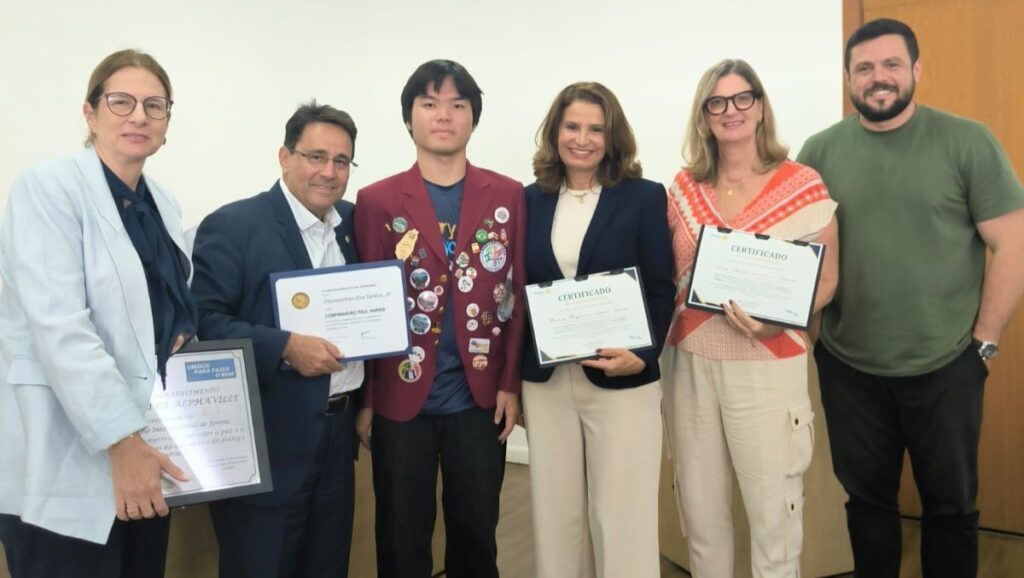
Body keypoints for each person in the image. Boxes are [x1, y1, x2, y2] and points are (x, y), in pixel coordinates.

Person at [797, 18, 1024, 578]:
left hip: (947, 367)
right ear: (848, 78)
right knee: (866, 506)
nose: (878, 77)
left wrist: (984, 345)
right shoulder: (819, 151)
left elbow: (1014, 244)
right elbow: (800, 256)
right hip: (849, 368)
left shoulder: (967, 141)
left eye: (892, 64)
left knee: (951, 508)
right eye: (864, 67)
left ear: (916, 69)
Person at [0, 49, 194, 578]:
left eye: (154, 105)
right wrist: (122, 442)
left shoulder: (164, 203)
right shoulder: (47, 188)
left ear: (167, 123)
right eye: (121, 102)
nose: (139, 116)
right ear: (90, 114)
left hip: (147, 452)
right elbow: (60, 329)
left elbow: (165, 312)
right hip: (68, 456)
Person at [662, 59, 839, 578]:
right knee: (700, 516)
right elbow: (662, 274)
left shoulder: (803, 184)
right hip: (691, 367)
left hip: (768, 365)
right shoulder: (682, 189)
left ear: (760, 107)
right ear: (703, 116)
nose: (730, 110)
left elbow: (827, 280)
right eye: (716, 102)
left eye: (743, 98)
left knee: (774, 518)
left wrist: (776, 321)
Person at [352, 59, 525, 578]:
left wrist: (510, 384)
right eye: (429, 104)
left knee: (476, 536)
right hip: (400, 398)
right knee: (401, 539)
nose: (443, 115)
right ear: (409, 118)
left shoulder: (508, 194)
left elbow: (517, 296)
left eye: (457, 105)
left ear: (474, 117)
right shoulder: (376, 200)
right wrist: (367, 399)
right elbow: (366, 308)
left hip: (479, 397)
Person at [190, 101, 363, 578]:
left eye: (342, 161)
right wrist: (285, 347)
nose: (329, 171)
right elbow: (205, 322)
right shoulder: (233, 225)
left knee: (327, 566)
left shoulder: (353, 224)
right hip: (266, 442)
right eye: (316, 156)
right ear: (285, 157)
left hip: (338, 435)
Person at [520, 81, 675, 578]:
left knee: (622, 517)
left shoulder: (644, 197)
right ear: (555, 132)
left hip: (622, 376)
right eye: (572, 127)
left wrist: (643, 355)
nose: (582, 139)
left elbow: (661, 288)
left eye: (596, 129)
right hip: (548, 383)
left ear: (613, 137)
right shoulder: (528, 200)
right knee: (555, 517)